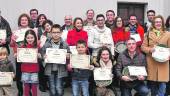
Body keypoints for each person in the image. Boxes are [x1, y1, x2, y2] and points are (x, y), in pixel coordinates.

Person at [141, 15, 170, 96]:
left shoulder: (168, 34)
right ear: (153, 23)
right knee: (153, 84)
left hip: (163, 63)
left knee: (162, 84)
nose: (158, 23)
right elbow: (143, 47)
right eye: (156, 22)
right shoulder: (148, 34)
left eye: (160, 22)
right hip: (151, 62)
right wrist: (150, 50)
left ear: (163, 23)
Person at [41, 24, 70, 96]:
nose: (56, 34)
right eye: (54, 32)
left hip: (60, 70)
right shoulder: (47, 44)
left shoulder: (65, 44)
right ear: (50, 33)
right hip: (50, 70)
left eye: (58, 32)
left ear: (61, 33)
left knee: (59, 88)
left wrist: (68, 55)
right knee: (52, 88)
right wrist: (43, 56)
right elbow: (42, 53)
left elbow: (69, 53)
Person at [10, 13, 31, 96]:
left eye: (25, 20)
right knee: (19, 75)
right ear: (19, 21)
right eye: (22, 20)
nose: (24, 21)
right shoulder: (15, 32)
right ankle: (20, 91)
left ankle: (28, 91)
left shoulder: (32, 31)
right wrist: (12, 40)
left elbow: (36, 44)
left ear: (28, 21)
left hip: (29, 57)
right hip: (18, 57)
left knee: (29, 74)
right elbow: (11, 45)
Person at [19, 29, 40, 96]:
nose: (30, 39)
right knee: (26, 86)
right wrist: (17, 55)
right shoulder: (22, 47)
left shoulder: (37, 47)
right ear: (25, 38)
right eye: (28, 38)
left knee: (34, 86)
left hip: (34, 70)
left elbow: (41, 56)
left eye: (32, 37)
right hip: (25, 70)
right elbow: (19, 57)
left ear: (35, 38)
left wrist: (39, 55)